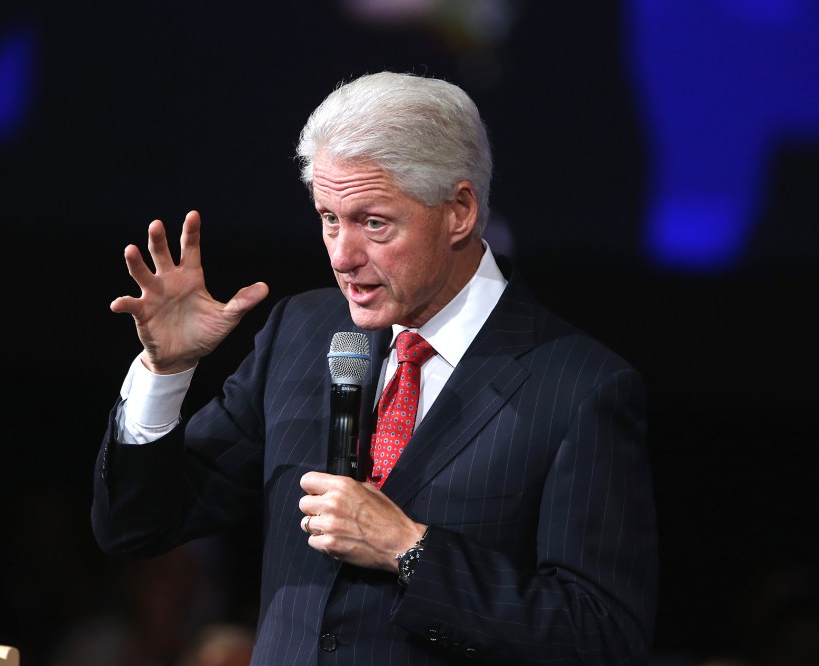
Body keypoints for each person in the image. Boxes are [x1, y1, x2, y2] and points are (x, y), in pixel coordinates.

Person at [92, 71, 658, 665]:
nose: (342, 256)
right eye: (329, 218)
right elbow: (137, 527)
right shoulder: (302, 333)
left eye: (373, 223)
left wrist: (410, 550)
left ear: (459, 211)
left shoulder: (579, 387)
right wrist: (165, 371)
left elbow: (602, 639)